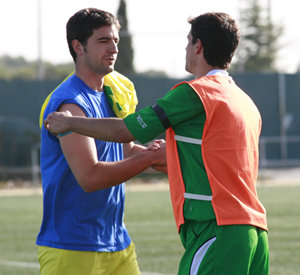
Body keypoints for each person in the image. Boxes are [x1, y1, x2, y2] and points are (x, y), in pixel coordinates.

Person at [45, 12, 269, 275]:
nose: (114, 48)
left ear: (198, 46)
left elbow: (126, 131)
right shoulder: (244, 101)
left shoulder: (194, 92)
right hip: (254, 231)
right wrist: (169, 156)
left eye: (188, 42)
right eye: (105, 40)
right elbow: (211, 159)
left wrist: (70, 123)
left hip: (215, 228)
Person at [36, 8, 166, 275]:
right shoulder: (70, 104)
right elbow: (90, 177)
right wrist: (150, 157)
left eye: (116, 41)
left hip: (117, 243)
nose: (114, 48)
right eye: (103, 41)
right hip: (72, 247)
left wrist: (165, 157)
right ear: (78, 47)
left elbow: (126, 151)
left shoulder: (112, 93)